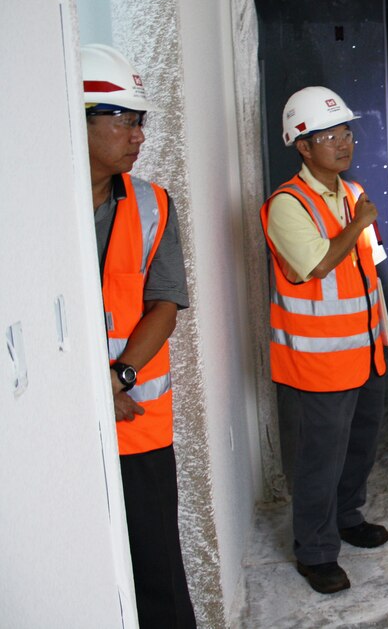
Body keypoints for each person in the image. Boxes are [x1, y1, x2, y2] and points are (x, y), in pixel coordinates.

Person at [260, 86, 388, 594]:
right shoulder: (286, 204)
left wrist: (383, 337)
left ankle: (347, 517)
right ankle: (314, 552)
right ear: (302, 144)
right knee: (319, 458)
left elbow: (368, 267)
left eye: (346, 132)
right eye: (328, 135)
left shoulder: (352, 193)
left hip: (369, 350)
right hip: (319, 362)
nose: (342, 142)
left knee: (360, 447)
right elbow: (316, 264)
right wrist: (357, 224)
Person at [83, 44, 196, 628]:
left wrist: (119, 376)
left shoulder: (152, 204)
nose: (137, 134)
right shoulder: (30, 207)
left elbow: (164, 305)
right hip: (64, 431)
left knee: (157, 568)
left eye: (140, 120)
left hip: (136, 425)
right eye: (123, 118)